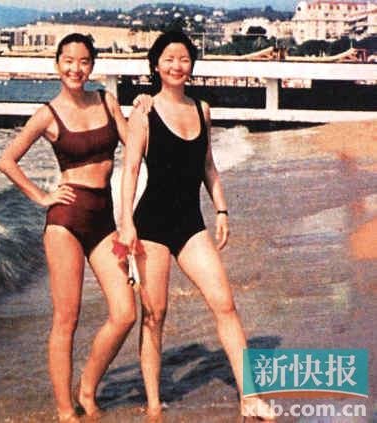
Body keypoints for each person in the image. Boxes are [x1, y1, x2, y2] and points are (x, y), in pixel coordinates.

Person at [119, 31, 275, 420]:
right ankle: (153, 403)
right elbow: (131, 170)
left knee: (225, 304)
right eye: (169, 59)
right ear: (156, 65)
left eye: (184, 59)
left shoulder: (202, 109)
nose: (177, 65)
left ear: (191, 65)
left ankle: (250, 396)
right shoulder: (143, 113)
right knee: (154, 315)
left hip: (191, 224)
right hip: (151, 225)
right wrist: (125, 223)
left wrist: (222, 211)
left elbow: (208, 165)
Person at [0, 33, 149, 422]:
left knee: (125, 312)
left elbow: (136, 145)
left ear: (92, 65)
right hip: (66, 220)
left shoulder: (106, 101)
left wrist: (142, 111)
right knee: (67, 319)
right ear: (57, 64)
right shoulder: (48, 114)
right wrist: (42, 196)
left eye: (83, 61)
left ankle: (87, 387)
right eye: (68, 60)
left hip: (104, 218)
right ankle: (66, 410)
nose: (75, 68)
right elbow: (7, 161)